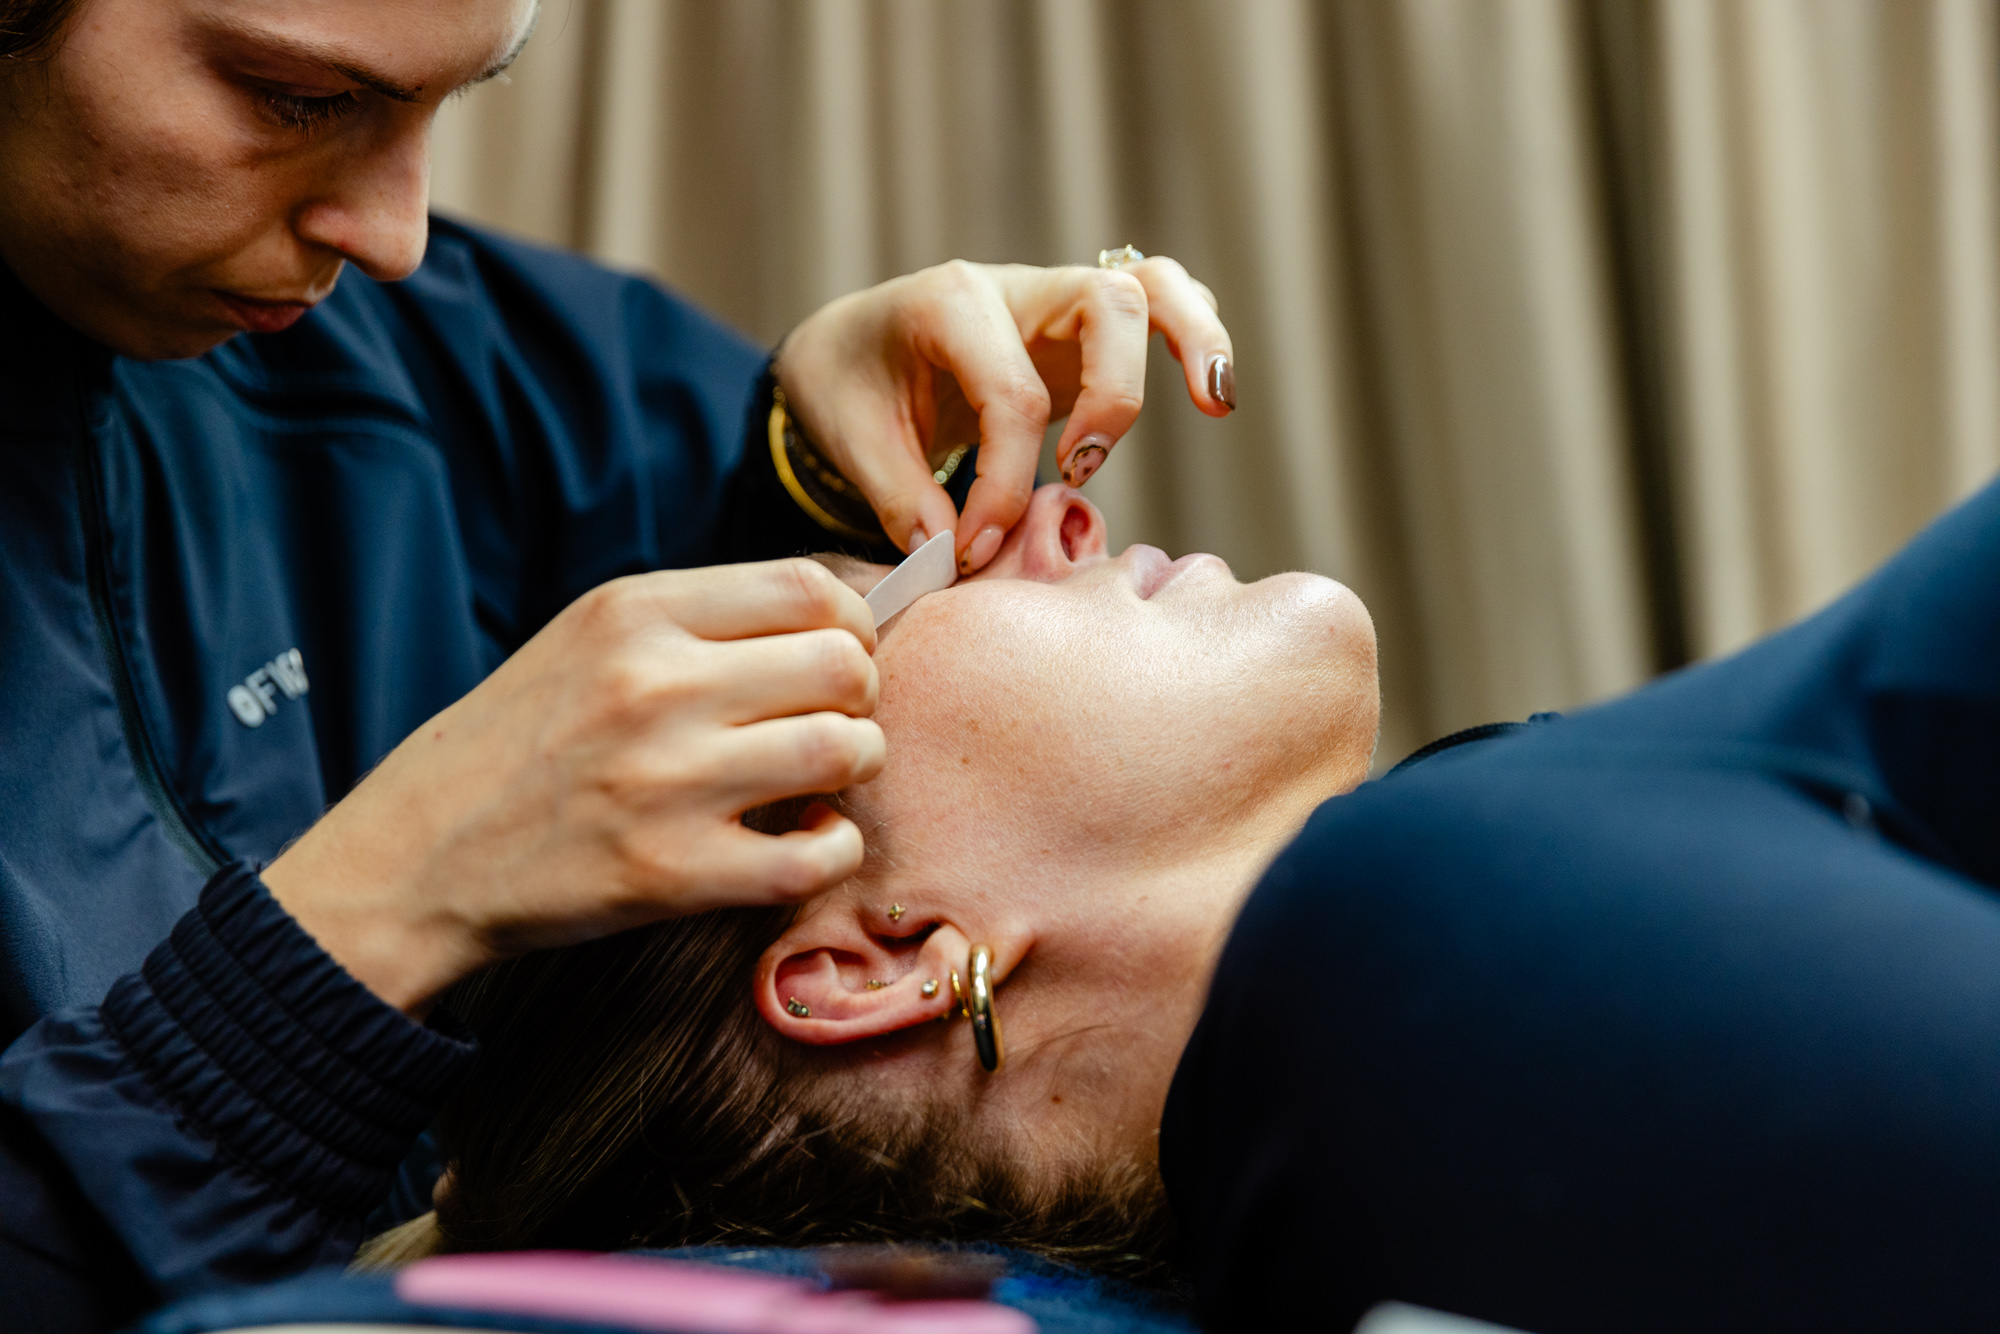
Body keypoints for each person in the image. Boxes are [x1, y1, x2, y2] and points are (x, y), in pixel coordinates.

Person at [0, 0, 1238, 1329]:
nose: (395, 235)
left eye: (453, 99)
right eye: (299, 101)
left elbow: (591, 446)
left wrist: (795, 461)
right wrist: (373, 913)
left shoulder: (368, 355)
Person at [417, 477, 2000, 1334]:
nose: (1046, 513)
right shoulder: (1384, 968)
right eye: (879, 600)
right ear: (868, 961)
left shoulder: (1409, 968)